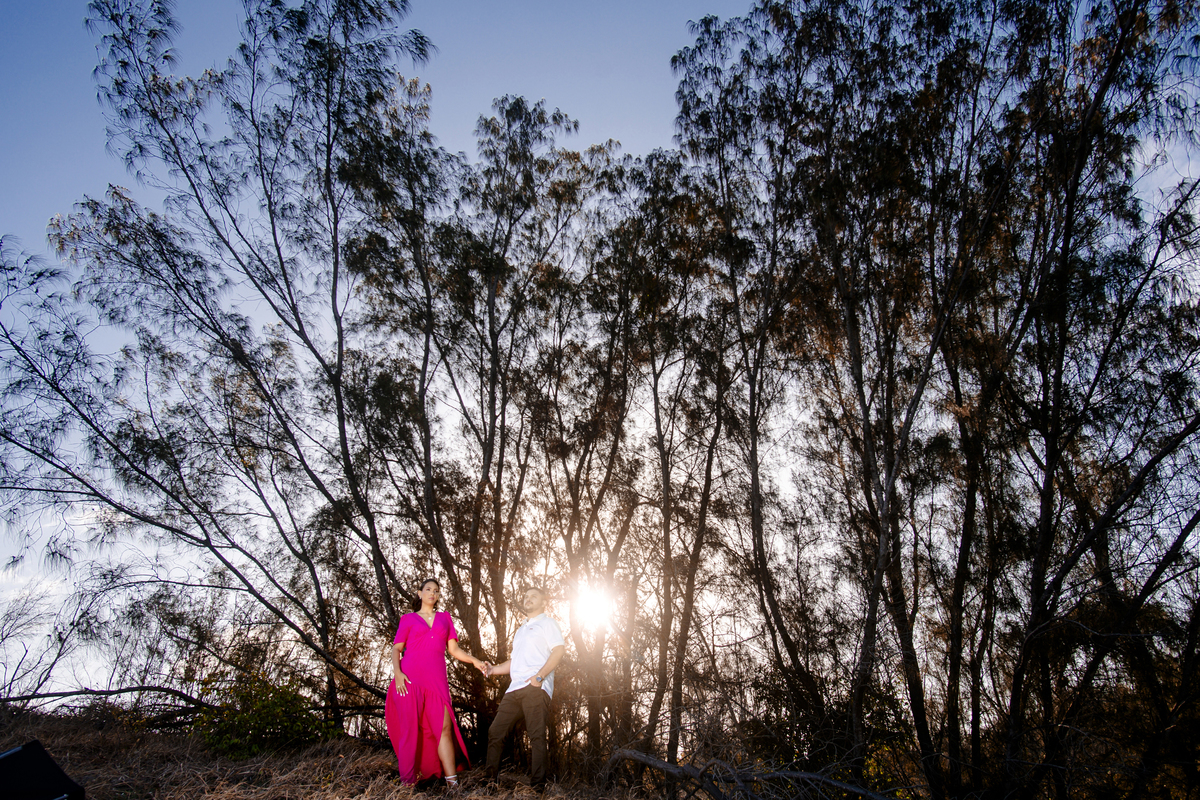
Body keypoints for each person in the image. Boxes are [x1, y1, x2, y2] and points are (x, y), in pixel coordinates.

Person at [385, 578, 488, 790]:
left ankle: (453, 785)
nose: (433, 593)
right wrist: (398, 673)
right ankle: (407, 785)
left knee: (444, 727)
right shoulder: (408, 619)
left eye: (436, 591)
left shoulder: (445, 619)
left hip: (436, 680)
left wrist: (475, 660)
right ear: (419, 593)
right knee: (410, 730)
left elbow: (454, 650)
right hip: (409, 679)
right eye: (428, 589)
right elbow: (396, 649)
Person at [483, 586, 566, 792]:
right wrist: (493, 670)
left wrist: (539, 676)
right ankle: (489, 784)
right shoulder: (521, 630)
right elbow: (514, 661)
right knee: (496, 731)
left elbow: (558, 650)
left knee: (536, 735)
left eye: (533, 596)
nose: (528, 599)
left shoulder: (548, 623)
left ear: (543, 602)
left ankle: (537, 788)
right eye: (526, 596)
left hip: (535, 687)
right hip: (514, 689)